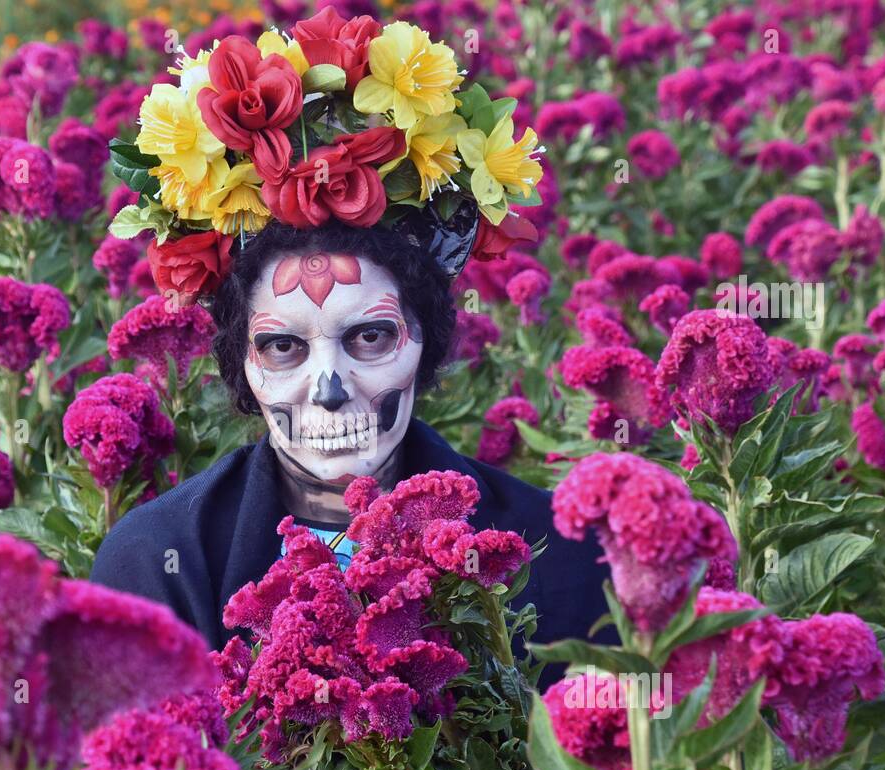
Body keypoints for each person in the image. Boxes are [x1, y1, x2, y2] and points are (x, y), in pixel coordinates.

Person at [91, 219, 610, 660]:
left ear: (425, 342)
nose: (329, 390)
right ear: (241, 364)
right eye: (282, 346)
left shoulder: (556, 551)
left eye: (370, 337)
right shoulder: (155, 560)